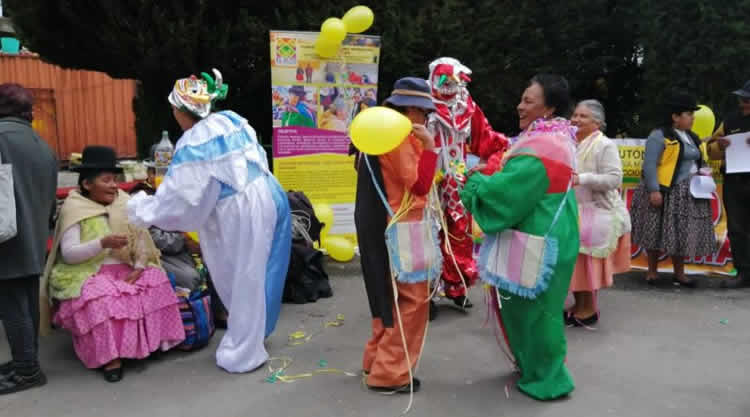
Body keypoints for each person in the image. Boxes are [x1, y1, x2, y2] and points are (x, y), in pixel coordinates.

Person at [127, 69, 291, 373]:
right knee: (259, 271)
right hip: (267, 193)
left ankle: (244, 352)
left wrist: (142, 209)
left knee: (241, 276)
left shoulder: (194, 141)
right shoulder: (231, 119)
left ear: (179, 110)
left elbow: (180, 199)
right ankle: (254, 332)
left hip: (241, 207)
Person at [460, 74, 577, 400]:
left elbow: (507, 193)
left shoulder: (542, 147)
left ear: (549, 108)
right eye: (522, 98)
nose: (519, 106)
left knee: (537, 314)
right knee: (538, 311)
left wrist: (472, 183)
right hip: (552, 236)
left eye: (529, 100)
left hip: (538, 241)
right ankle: (535, 368)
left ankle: (549, 380)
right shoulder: (555, 139)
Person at [41, 145, 185, 383]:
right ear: (87, 184)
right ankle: (111, 357)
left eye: (115, 179)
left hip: (124, 267)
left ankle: (154, 342)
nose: (114, 185)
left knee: (156, 278)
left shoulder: (124, 203)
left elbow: (141, 240)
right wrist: (102, 243)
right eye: (106, 180)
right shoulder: (74, 208)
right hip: (86, 272)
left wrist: (139, 266)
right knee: (102, 297)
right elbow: (69, 254)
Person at [354, 77, 439, 393]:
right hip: (404, 226)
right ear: (413, 109)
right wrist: (429, 149)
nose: (426, 120)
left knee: (384, 297)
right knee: (412, 300)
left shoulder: (372, 133)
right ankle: (390, 373)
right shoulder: (400, 136)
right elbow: (418, 184)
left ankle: (375, 360)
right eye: (425, 113)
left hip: (377, 224)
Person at [426, 57, 509, 310]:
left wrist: (489, 165)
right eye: (444, 79)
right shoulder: (421, 103)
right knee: (425, 232)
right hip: (426, 177)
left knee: (459, 232)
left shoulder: (466, 105)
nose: (450, 85)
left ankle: (456, 285)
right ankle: (425, 292)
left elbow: (488, 139)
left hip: (457, 177)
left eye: (455, 80)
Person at [0, 83, 58, 394]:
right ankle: (26, 359)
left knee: (11, 304)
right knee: (26, 299)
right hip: (35, 235)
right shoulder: (42, 144)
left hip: (6, 239)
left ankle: (27, 371)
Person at [630, 90, 716, 287]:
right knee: (654, 229)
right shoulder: (658, 136)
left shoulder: (691, 137)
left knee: (681, 232)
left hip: (686, 193)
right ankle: (652, 271)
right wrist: (654, 190)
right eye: (688, 114)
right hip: (664, 190)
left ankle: (680, 273)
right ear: (675, 117)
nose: (693, 118)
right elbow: (650, 164)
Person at [129, 156, 228, 326]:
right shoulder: (141, 197)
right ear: (151, 174)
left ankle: (217, 312)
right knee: (191, 278)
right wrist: (184, 241)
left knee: (219, 262)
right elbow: (151, 236)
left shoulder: (179, 194)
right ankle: (191, 318)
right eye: (163, 172)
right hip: (160, 254)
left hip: (187, 248)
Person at [567, 100, 631, 326]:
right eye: (574, 115)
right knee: (576, 263)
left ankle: (588, 310)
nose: (575, 120)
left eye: (582, 116)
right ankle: (580, 305)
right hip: (576, 212)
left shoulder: (604, 145)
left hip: (599, 214)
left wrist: (581, 179)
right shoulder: (571, 142)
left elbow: (614, 179)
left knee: (587, 265)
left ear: (597, 122)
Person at [707, 80, 750, 288]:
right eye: (742, 99)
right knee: (736, 227)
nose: (743, 103)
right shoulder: (730, 120)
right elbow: (710, 149)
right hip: (734, 180)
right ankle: (743, 273)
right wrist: (720, 146)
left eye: (747, 99)